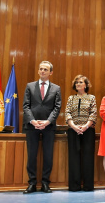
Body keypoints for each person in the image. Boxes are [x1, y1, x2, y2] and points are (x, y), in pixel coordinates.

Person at [22, 61, 62, 194]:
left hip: (48, 127)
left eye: (46, 69)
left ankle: (45, 183)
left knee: (48, 156)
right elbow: (26, 106)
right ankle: (32, 183)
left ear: (51, 72)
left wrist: (47, 122)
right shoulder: (30, 86)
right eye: (41, 69)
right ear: (38, 71)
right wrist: (33, 121)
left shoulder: (56, 88)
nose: (43, 71)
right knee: (32, 155)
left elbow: (57, 108)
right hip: (31, 126)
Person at [65, 75, 97, 192]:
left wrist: (85, 127)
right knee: (74, 158)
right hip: (73, 131)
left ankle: (88, 186)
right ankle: (74, 186)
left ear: (86, 85)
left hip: (88, 130)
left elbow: (93, 114)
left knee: (88, 158)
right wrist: (74, 126)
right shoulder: (71, 98)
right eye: (77, 82)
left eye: (81, 82)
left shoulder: (91, 98)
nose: (78, 84)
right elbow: (67, 113)